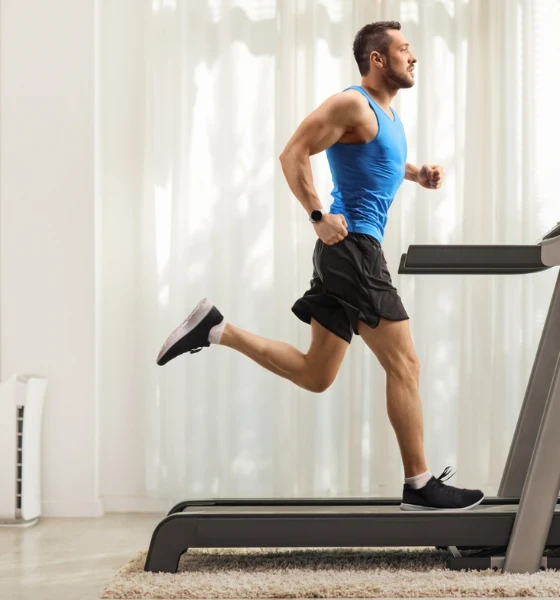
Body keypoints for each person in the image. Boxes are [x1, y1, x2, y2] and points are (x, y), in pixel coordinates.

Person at [155, 21, 484, 511]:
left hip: (347, 254)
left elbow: (380, 163)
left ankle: (216, 329)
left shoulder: (387, 117)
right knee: (406, 363)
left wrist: (418, 174)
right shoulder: (353, 103)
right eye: (404, 49)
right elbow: (293, 153)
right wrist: (316, 216)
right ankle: (419, 485)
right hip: (353, 251)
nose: (413, 58)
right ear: (378, 59)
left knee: (316, 374)